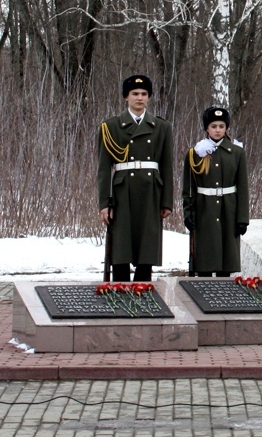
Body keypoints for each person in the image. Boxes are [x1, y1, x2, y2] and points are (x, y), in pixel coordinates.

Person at [97, 75, 173, 282]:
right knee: (121, 247)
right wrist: (104, 203)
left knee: (146, 246)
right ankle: (121, 291)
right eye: (135, 94)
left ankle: (144, 290)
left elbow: (167, 167)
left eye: (144, 94)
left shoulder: (162, 127)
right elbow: (103, 169)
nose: (139, 98)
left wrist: (167, 202)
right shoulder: (110, 127)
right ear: (126, 97)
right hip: (122, 192)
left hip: (150, 191)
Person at [183, 106, 249, 277]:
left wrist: (242, 219)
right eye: (213, 126)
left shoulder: (237, 153)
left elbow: (242, 188)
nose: (218, 130)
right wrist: (188, 212)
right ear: (206, 128)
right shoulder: (196, 154)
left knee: (225, 263)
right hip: (204, 210)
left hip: (229, 211)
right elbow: (188, 187)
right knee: (204, 260)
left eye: (221, 126)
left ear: (226, 128)